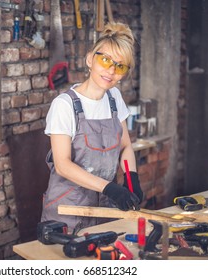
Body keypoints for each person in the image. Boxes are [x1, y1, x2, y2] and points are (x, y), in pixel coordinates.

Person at [41, 22, 144, 232]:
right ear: (90, 59)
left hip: (105, 209)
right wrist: (110, 187)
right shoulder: (64, 105)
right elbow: (62, 165)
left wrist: (132, 179)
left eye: (120, 66)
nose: (111, 70)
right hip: (68, 211)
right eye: (105, 60)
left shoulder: (114, 98)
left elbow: (125, 146)